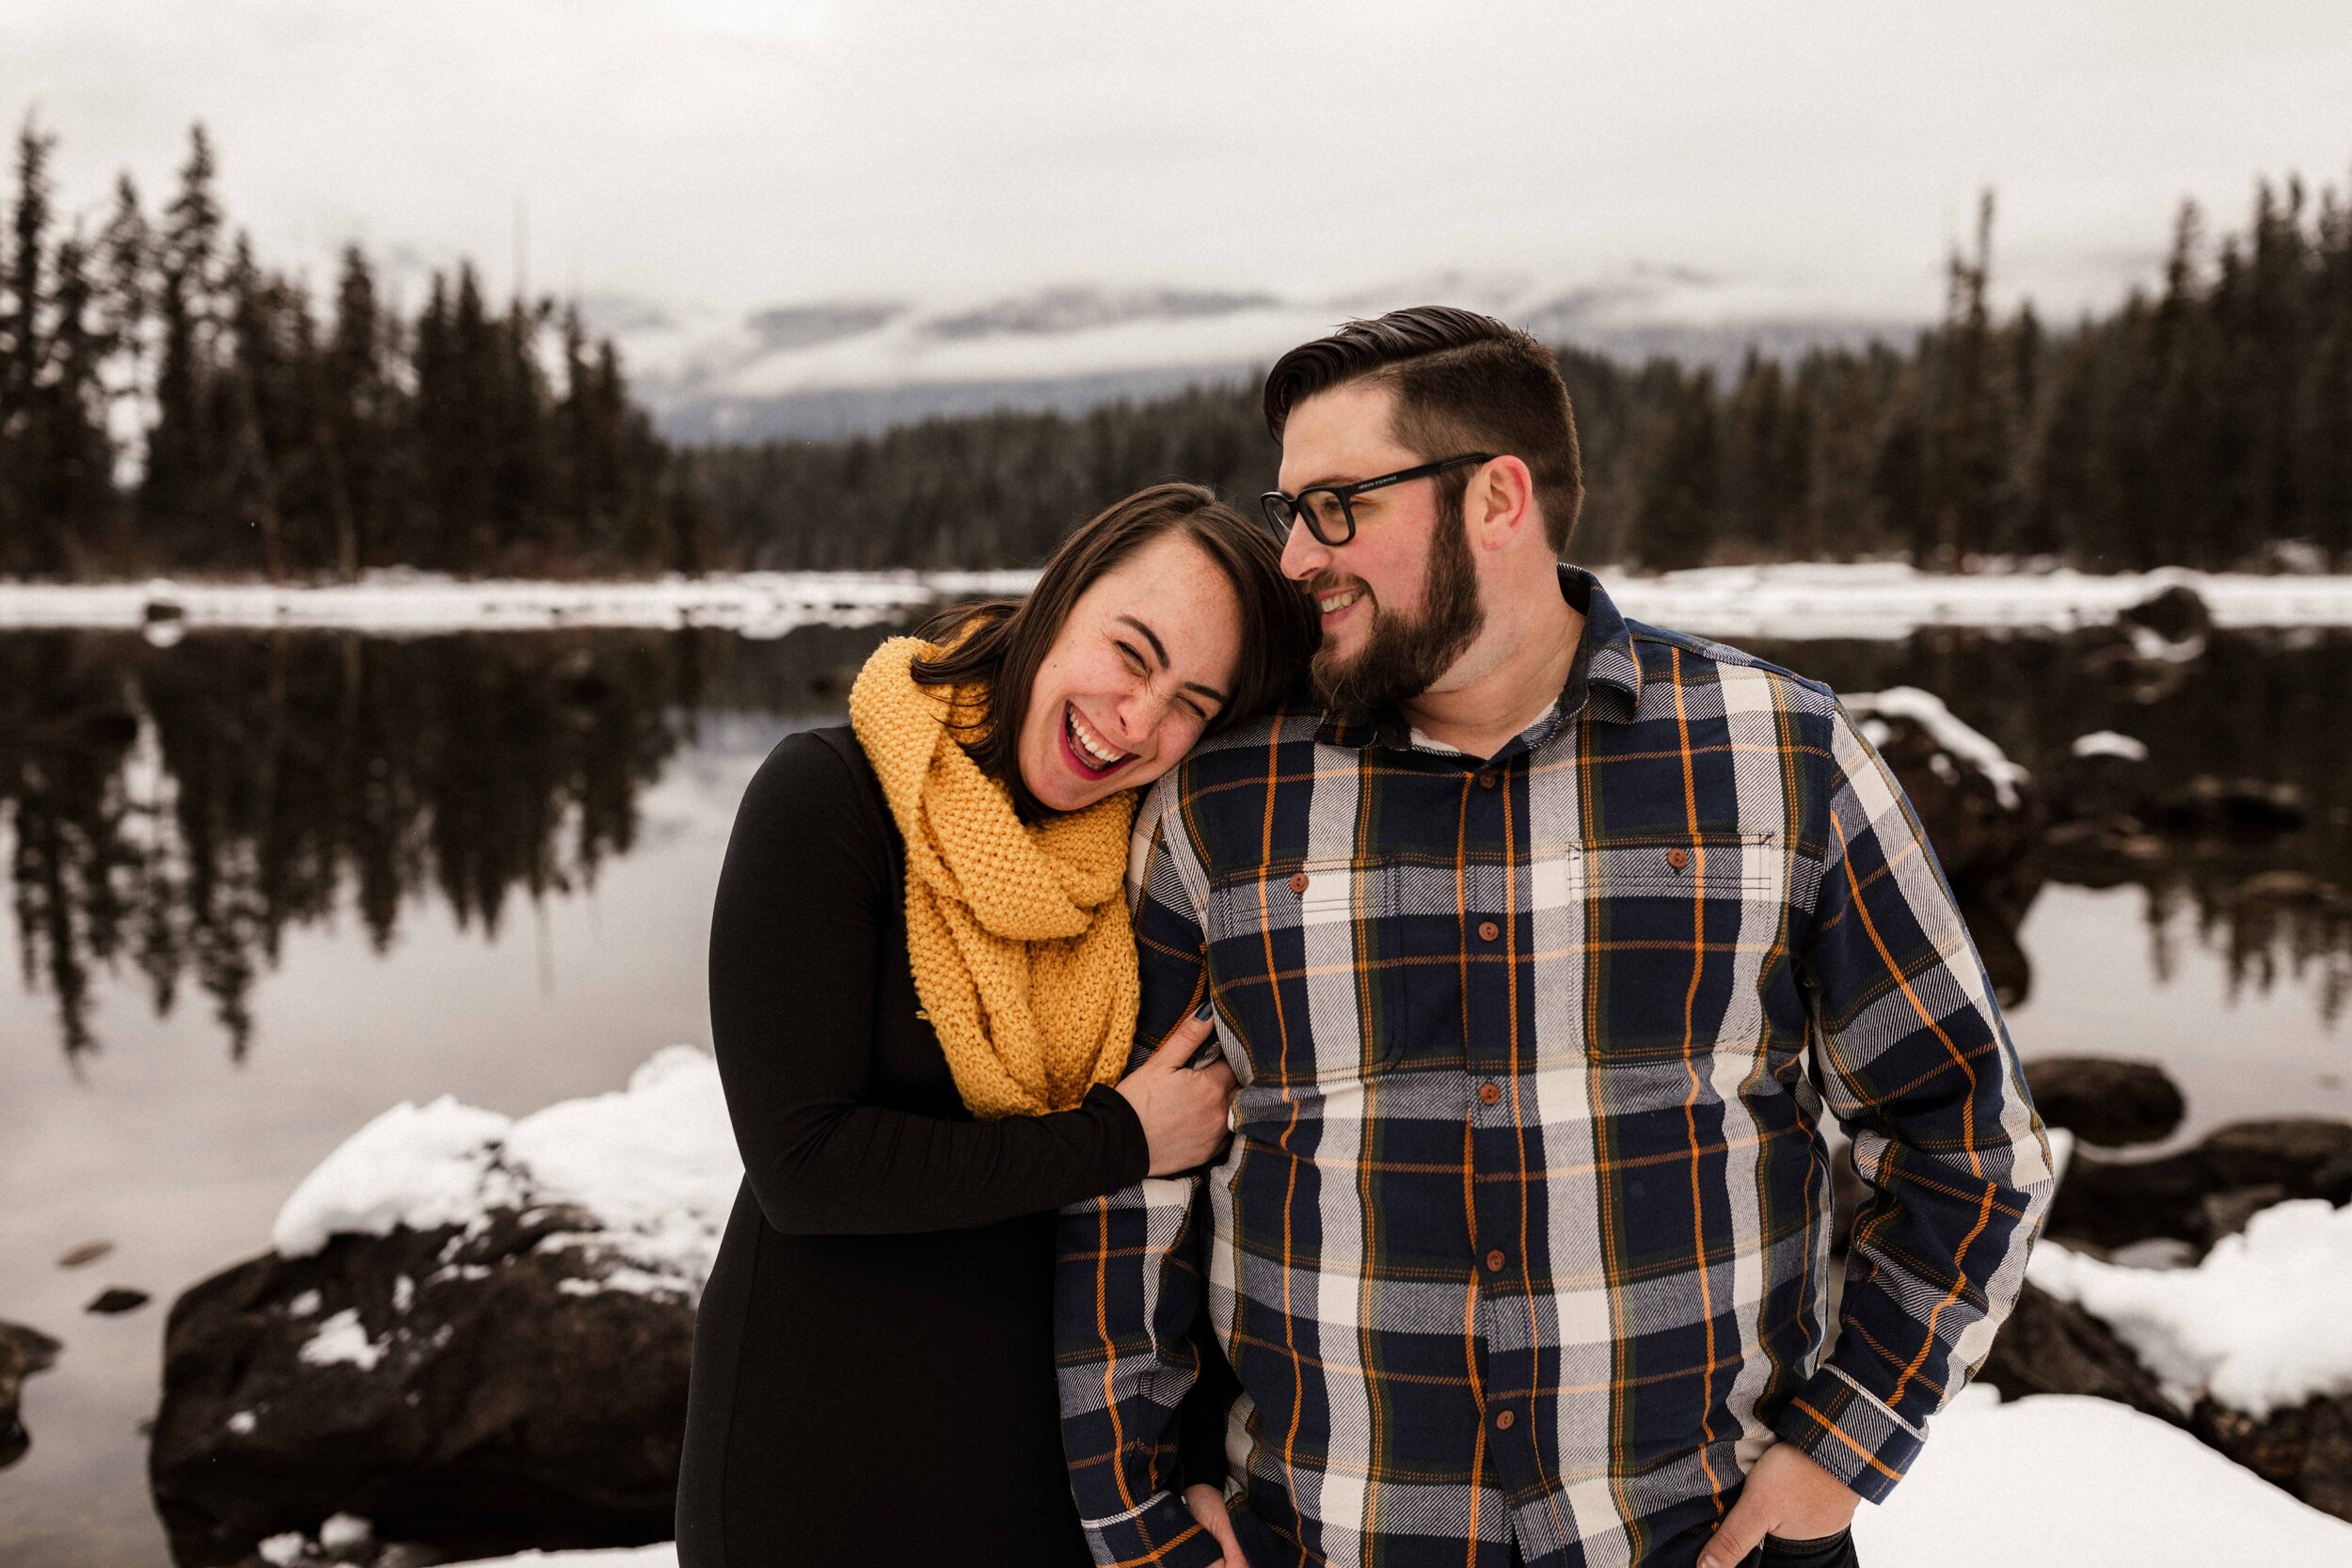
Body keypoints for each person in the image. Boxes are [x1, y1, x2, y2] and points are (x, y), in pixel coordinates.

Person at [1056, 309, 2057, 1568]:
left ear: (1498, 496)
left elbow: (1970, 1135)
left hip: (1700, 1539)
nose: (1296, 556)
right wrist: (1139, 1518)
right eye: (1289, 511)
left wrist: (1842, 1447)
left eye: (1335, 506)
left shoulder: (1781, 754)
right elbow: (1131, 1196)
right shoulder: (1222, 797)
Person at [676, 483, 1316, 1567]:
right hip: (819, 1468)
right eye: (1130, 651)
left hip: (1050, 1473)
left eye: (1191, 704)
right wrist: (1116, 1135)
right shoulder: (831, 798)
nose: (1135, 721)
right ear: (1062, 592)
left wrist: (1195, 1449)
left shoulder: (1152, 861)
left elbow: (1191, 1214)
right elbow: (806, 1167)